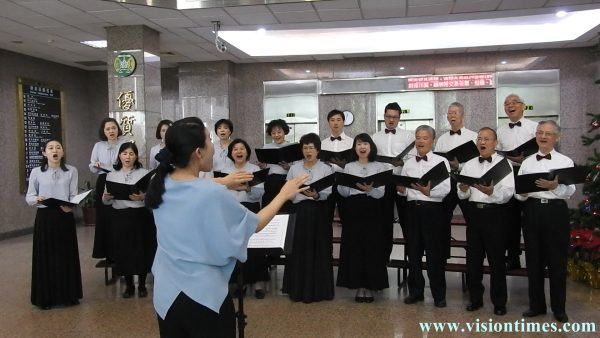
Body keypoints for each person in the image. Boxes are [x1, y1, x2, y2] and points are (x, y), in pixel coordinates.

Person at [145, 117, 308, 337]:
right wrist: (283, 194)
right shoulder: (213, 194)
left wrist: (223, 181)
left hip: (166, 295)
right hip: (203, 296)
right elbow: (256, 223)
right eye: (209, 141)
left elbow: (194, 186)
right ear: (198, 153)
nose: (214, 147)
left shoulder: (159, 182)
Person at [516, 120, 575, 323]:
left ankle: (559, 308)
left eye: (548, 133)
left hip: (555, 211)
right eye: (540, 132)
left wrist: (553, 187)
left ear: (556, 137)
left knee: (557, 262)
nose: (543, 136)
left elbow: (569, 192)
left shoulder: (565, 161)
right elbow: (520, 193)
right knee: (534, 260)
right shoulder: (527, 162)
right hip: (532, 210)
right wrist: (521, 193)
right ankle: (536, 306)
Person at [457, 127, 514, 316]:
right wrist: (464, 189)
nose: (482, 142)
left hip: (495, 214)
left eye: (486, 139)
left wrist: (492, 192)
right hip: (474, 214)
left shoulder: (505, 164)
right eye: (479, 139)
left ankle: (499, 302)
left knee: (496, 260)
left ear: (495, 142)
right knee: (473, 260)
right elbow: (461, 194)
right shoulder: (469, 164)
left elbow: (508, 192)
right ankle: (475, 299)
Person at [26, 140, 82, 309]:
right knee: (46, 256)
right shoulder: (37, 172)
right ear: (44, 153)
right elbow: (29, 197)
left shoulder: (71, 170)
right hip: (45, 217)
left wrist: (71, 204)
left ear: (62, 152)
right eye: (50, 148)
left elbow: (74, 194)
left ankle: (69, 295)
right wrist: (37, 199)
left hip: (64, 216)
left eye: (58, 147)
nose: (55, 150)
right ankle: (45, 298)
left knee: (65, 255)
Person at [398, 125, 450, 308]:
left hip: (432, 210)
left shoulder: (441, 162)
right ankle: (416, 292)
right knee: (413, 253)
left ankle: (439, 295)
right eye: (418, 137)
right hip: (412, 210)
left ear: (432, 141)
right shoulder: (409, 163)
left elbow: (446, 189)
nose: (420, 141)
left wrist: (430, 192)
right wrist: (402, 190)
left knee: (434, 254)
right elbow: (404, 191)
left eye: (424, 138)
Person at [282, 133, 335, 303]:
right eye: (305, 148)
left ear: (318, 150)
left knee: (319, 249)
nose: (308, 151)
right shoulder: (294, 168)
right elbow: (287, 192)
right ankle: (298, 290)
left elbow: (328, 192)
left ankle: (320, 290)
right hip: (299, 212)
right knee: (299, 249)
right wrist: (294, 192)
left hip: (318, 212)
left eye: (311, 147)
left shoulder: (326, 168)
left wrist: (316, 194)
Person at [336, 133, 388, 303]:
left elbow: (381, 193)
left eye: (365, 143)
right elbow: (343, 193)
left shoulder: (379, 167)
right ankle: (359, 287)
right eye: (359, 144)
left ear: (371, 147)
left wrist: (369, 190)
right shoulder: (349, 167)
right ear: (355, 148)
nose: (362, 147)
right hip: (353, 210)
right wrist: (346, 183)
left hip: (373, 209)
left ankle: (371, 286)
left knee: (372, 248)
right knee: (355, 247)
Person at [102, 142, 156, 298]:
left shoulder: (145, 173)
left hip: (140, 216)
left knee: (142, 249)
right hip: (120, 216)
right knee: (124, 250)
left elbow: (152, 198)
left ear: (136, 156)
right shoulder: (111, 175)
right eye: (124, 153)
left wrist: (143, 196)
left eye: (131, 153)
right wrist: (106, 197)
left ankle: (142, 285)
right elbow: (106, 201)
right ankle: (129, 285)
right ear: (119, 156)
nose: (128, 156)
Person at [221, 138, 269, 299]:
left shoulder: (254, 169)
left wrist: (248, 188)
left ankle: (258, 284)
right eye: (235, 149)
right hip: (231, 211)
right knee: (234, 247)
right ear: (231, 153)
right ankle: (237, 283)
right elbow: (219, 193)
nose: (239, 151)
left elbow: (259, 194)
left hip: (250, 209)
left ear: (247, 152)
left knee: (254, 248)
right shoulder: (224, 170)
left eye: (242, 148)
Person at [497, 94, 537, 270]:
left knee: (530, 218)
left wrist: (525, 160)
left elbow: (541, 153)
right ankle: (513, 257)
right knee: (509, 218)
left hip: (529, 172)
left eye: (514, 103)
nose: (510, 106)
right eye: (507, 104)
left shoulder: (535, 127)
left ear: (523, 106)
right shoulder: (500, 130)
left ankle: (535, 259)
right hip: (508, 173)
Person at [372, 102, 415, 261]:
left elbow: (413, 159)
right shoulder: (375, 137)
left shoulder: (408, 136)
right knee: (384, 223)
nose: (391, 120)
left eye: (395, 117)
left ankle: (412, 260)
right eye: (389, 116)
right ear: (384, 117)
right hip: (383, 182)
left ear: (399, 118)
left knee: (407, 222)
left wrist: (402, 163)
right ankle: (383, 259)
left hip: (402, 181)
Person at [434, 102, 478, 259]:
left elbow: (477, 162)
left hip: (466, 180)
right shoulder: (442, 139)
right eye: (449, 113)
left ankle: (473, 255)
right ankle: (443, 254)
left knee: (471, 218)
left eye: (455, 113)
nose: (451, 116)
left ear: (463, 116)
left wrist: (459, 165)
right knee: (443, 218)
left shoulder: (473, 136)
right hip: (447, 180)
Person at [89, 117, 127, 262]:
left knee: (119, 215)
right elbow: (91, 167)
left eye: (113, 128)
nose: (111, 131)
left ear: (118, 129)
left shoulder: (125, 144)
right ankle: (108, 253)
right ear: (103, 131)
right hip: (103, 180)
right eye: (108, 129)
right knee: (104, 217)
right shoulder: (98, 146)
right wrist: (97, 164)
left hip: (120, 180)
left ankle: (122, 252)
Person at [260, 119, 294, 213]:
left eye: (279, 132)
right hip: (270, 183)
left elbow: (297, 168)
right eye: (273, 133)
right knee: (269, 210)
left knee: (284, 210)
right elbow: (265, 167)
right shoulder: (266, 147)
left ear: (285, 132)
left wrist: (288, 167)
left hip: (285, 182)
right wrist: (263, 167)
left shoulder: (291, 147)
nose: (276, 135)